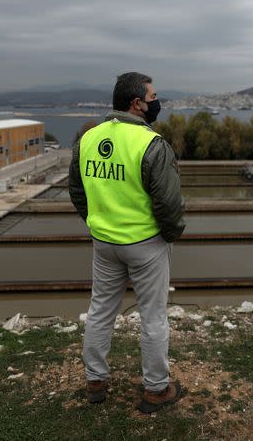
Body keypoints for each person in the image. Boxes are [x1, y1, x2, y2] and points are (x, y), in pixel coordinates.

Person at [68, 72, 186, 413]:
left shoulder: (88, 139)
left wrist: (97, 222)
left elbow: (77, 191)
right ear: (137, 104)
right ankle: (156, 389)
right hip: (145, 243)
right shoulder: (151, 144)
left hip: (104, 243)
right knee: (152, 317)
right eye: (153, 97)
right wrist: (170, 235)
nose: (156, 103)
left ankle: (95, 381)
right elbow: (169, 203)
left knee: (101, 310)